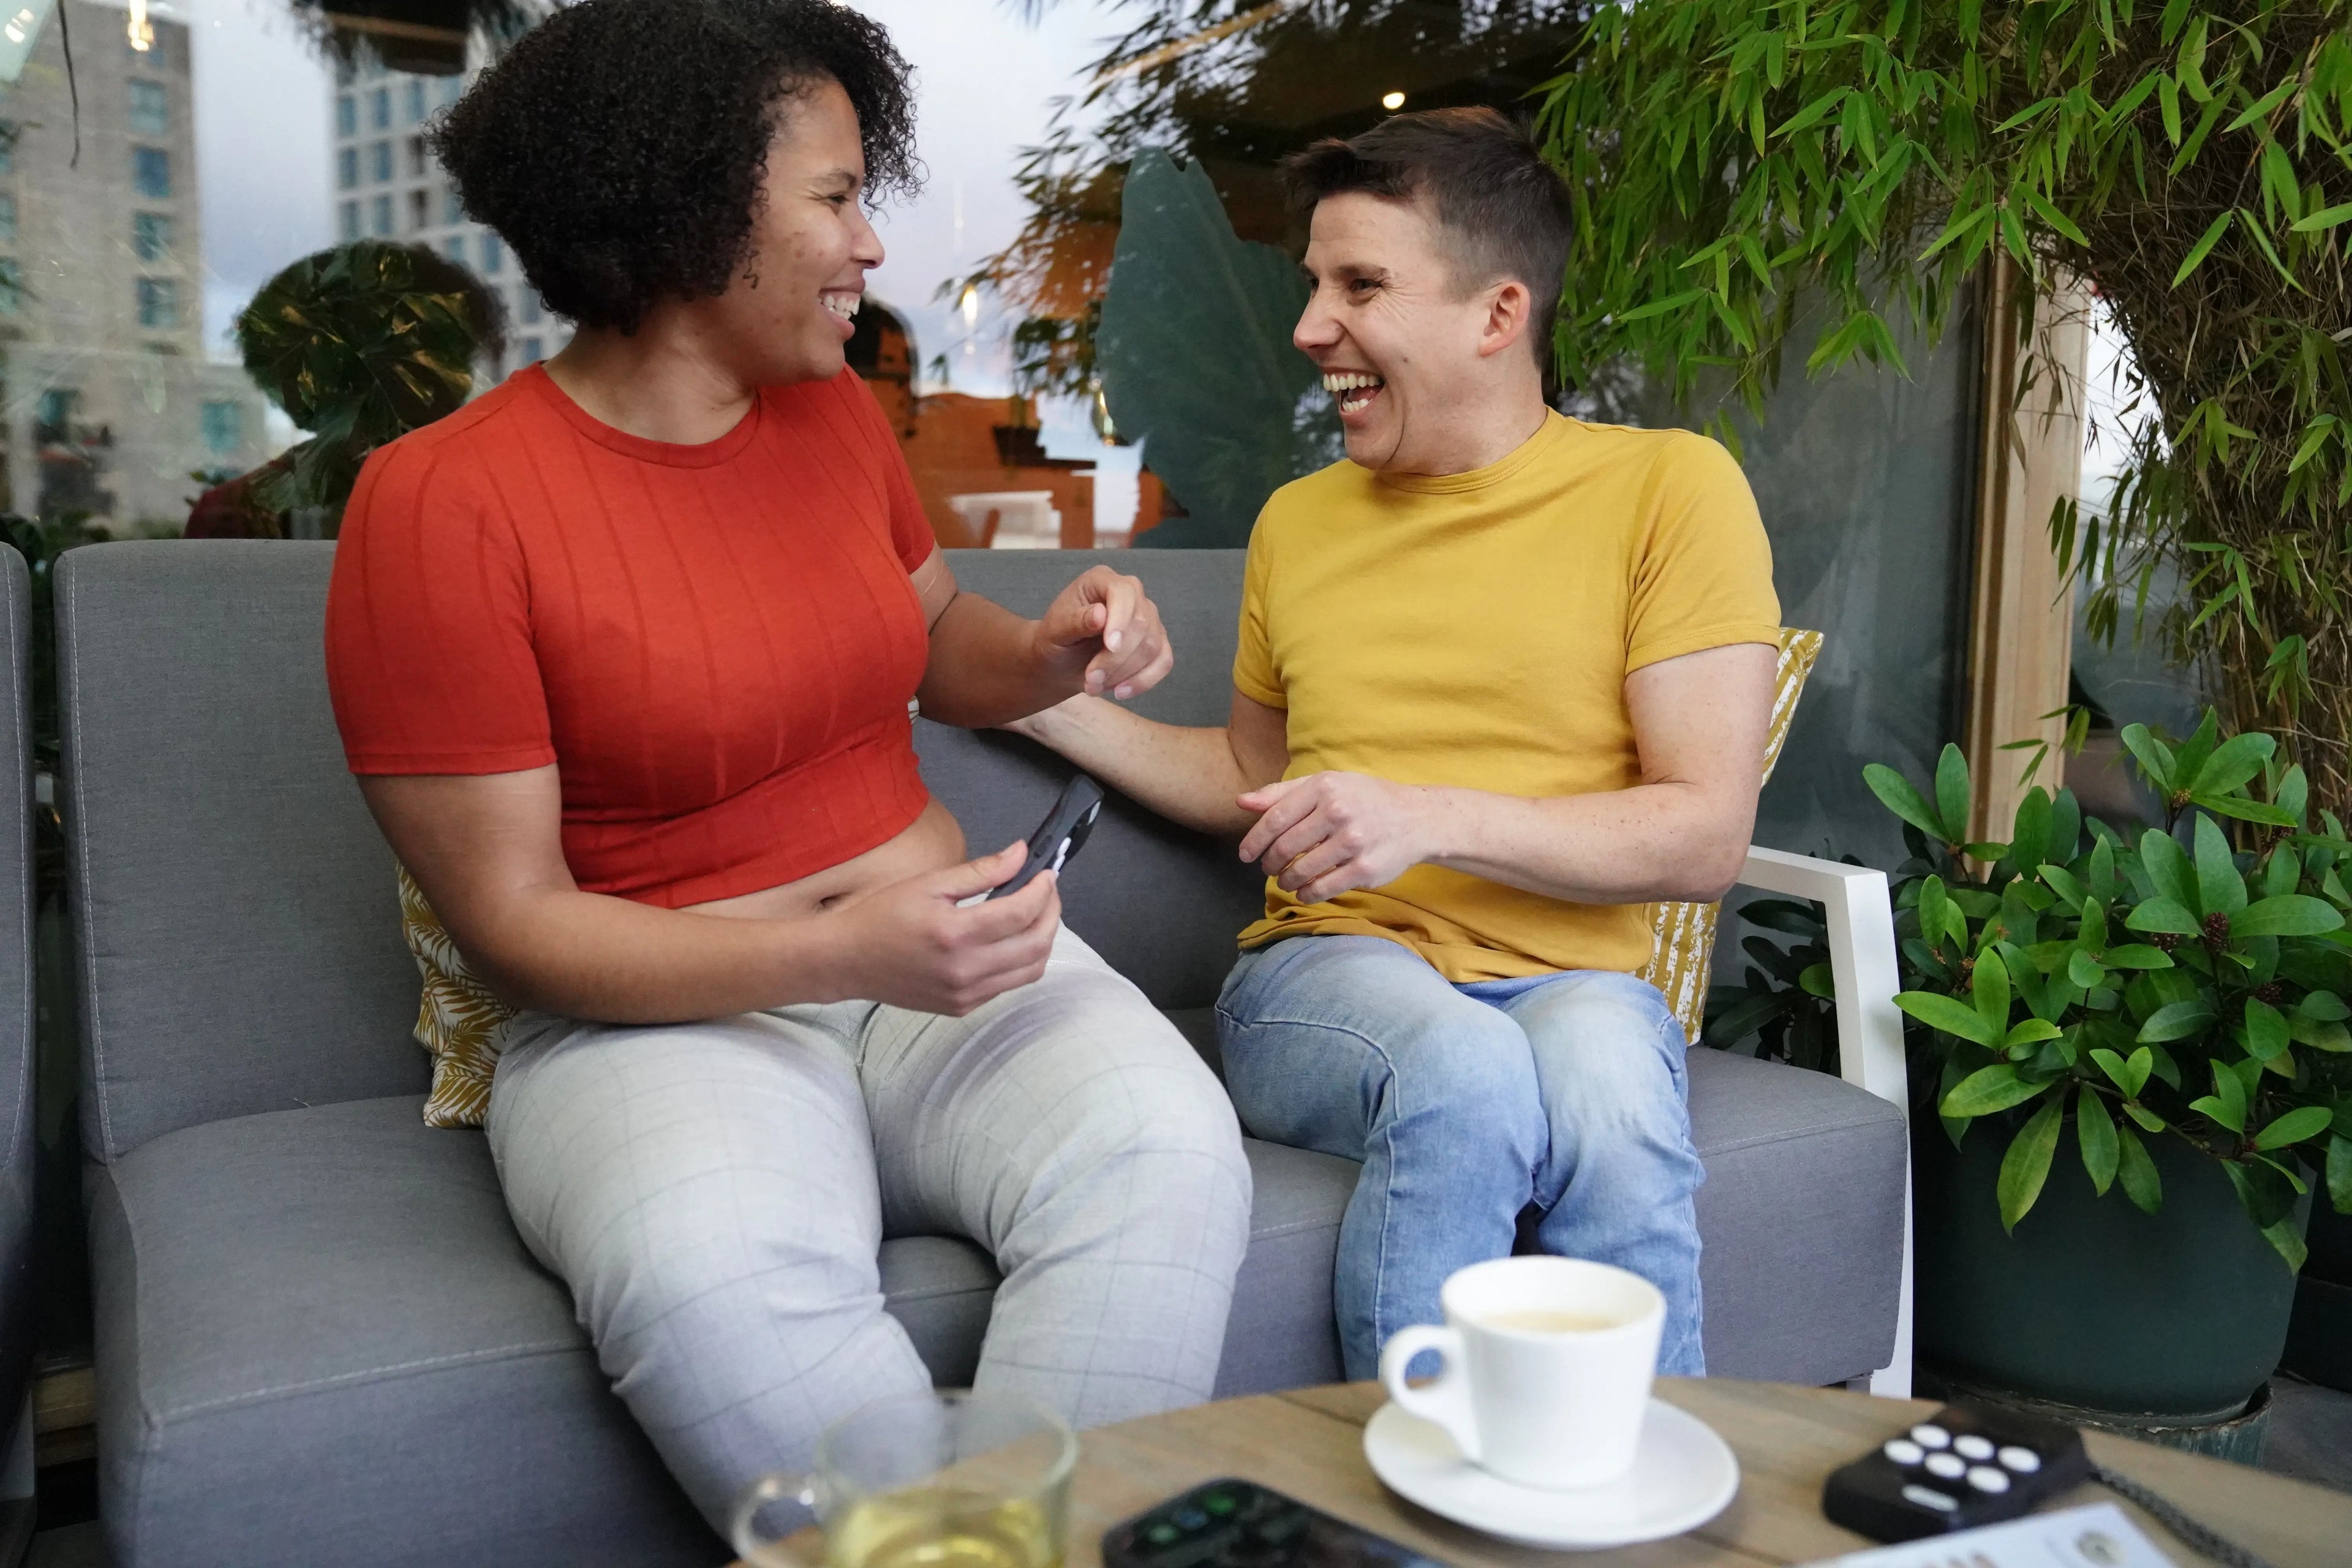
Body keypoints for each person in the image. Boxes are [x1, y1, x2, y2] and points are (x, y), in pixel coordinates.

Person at [320, 0, 1251, 1530]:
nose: (871, 243)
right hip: (659, 1022)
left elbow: (934, 637)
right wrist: (836, 950)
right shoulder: (442, 508)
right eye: (833, 196)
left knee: (1167, 1152)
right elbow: (518, 922)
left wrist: (1050, 650)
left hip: (937, 960)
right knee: (712, 1276)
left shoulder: (831, 421)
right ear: (687, 216)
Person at [1009, 108, 1781, 1381]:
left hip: (1575, 977)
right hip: (1329, 974)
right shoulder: (1300, 523)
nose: (1310, 326)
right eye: (1315, 282)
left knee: (1617, 1111)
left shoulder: (1670, 490)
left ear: (1497, 313)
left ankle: (1639, 1506)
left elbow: (1704, 828)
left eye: (1359, 284)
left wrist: (1427, 812)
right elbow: (1254, 776)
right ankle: (1410, 1502)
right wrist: (1026, 692)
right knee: (1467, 1071)